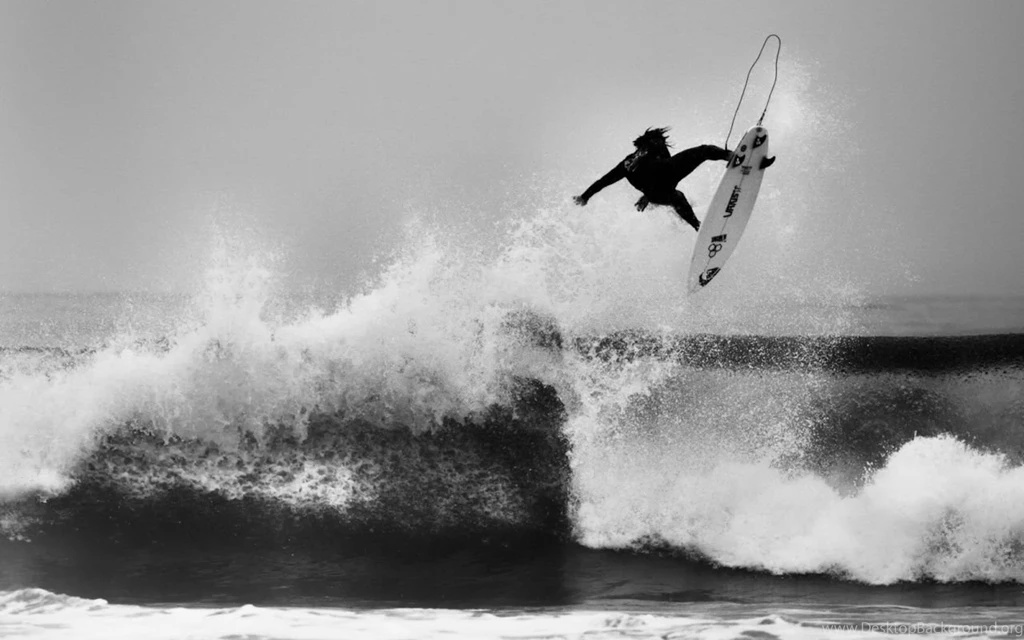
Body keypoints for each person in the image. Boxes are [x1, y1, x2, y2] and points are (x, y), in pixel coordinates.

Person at [573, 127, 774, 231]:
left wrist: (585, 197)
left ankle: (699, 227)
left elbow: (604, 181)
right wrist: (585, 196)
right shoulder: (643, 154)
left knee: (681, 191)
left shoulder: (644, 158)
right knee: (699, 159)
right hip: (660, 182)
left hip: (662, 184)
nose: (663, 144)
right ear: (650, 143)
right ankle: (698, 226)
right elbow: (605, 180)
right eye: (659, 142)